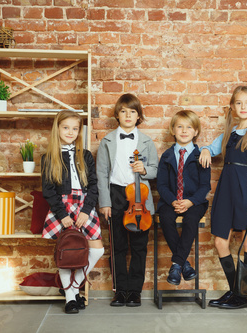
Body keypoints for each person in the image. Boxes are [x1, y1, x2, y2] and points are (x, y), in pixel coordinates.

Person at [199, 85, 247, 309]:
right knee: (220, 241)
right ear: (232, 107)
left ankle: (244, 295)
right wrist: (207, 149)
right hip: (226, 190)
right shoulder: (229, 133)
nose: (243, 107)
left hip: (245, 191)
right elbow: (211, 147)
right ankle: (236, 291)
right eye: (239, 103)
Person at [96, 93, 158, 307]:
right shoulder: (107, 141)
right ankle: (120, 290)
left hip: (139, 197)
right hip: (115, 194)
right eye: (123, 111)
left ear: (138, 116)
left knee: (139, 246)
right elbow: (101, 174)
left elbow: (155, 170)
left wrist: (145, 169)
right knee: (118, 245)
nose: (128, 115)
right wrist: (105, 202)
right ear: (117, 115)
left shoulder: (147, 141)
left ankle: (135, 291)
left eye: (132, 111)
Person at [41, 110, 104, 314]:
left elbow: (94, 185)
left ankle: (73, 287)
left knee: (97, 249)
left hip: (85, 205)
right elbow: (48, 191)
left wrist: (86, 210)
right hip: (62, 206)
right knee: (66, 251)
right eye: (66, 127)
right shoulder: (49, 157)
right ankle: (70, 299)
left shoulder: (84, 155)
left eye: (75, 129)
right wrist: (63, 215)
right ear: (57, 129)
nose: (70, 132)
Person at [157, 110, 211, 285]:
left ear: (196, 132)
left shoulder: (201, 156)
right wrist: (173, 201)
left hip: (194, 201)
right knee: (165, 217)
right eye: (179, 126)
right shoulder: (166, 156)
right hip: (171, 200)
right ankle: (184, 265)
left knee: (191, 220)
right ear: (173, 130)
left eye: (189, 127)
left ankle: (176, 265)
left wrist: (190, 202)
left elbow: (205, 186)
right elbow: (162, 185)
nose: (184, 130)